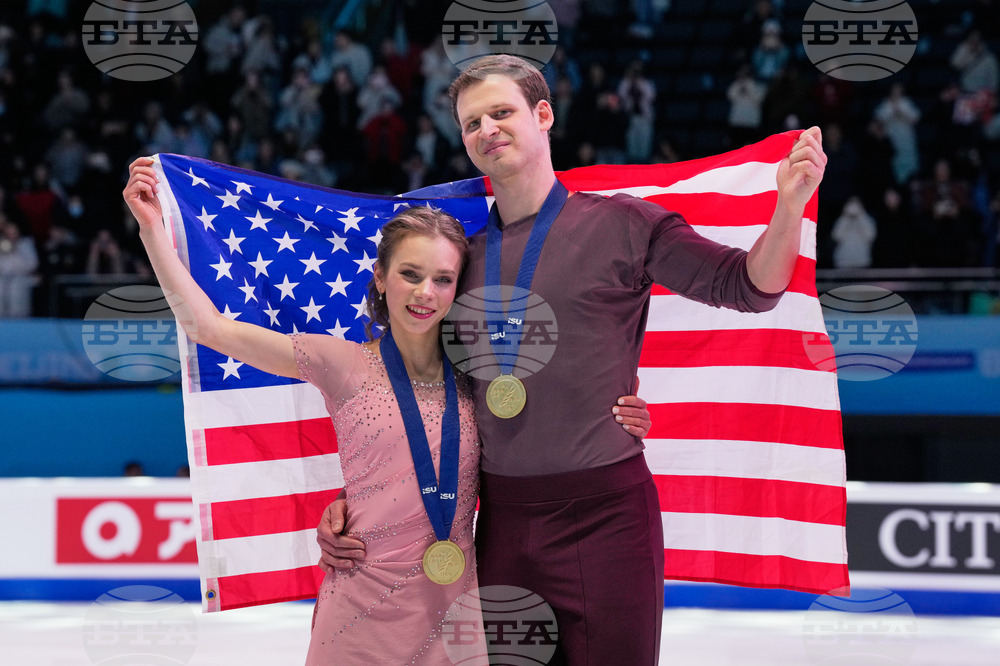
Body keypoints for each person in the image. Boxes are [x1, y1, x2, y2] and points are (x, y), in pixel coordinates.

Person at [319, 54, 827, 664]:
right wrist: (363, 500)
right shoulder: (457, 265)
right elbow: (412, 388)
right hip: (502, 525)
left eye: (501, 112)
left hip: (608, 521)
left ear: (543, 114)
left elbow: (751, 288)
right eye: (471, 122)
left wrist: (790, 205)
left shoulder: (623, 225)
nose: (487, 130)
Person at [123, 157, 649, 662]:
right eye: (410, 274)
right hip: (358, 614)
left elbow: (564, 401)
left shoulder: (479, 374)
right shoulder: (339, 362)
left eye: (443, 279)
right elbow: (210, 329)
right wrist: (152, 230)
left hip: (455, 619)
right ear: (380, 278)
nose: (425, 292)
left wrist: (622, 413)